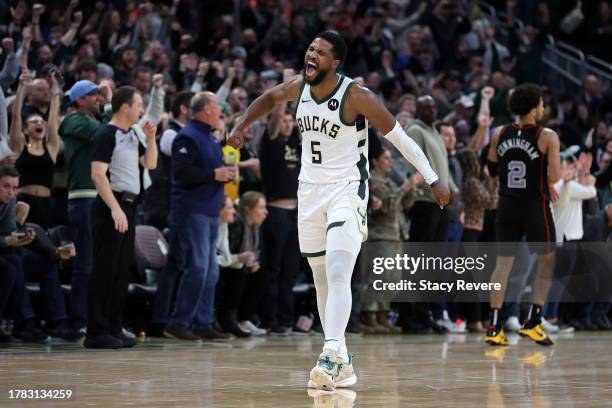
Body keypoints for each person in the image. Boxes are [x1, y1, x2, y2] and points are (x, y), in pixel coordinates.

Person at [228, 30, 449, 391]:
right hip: (309, 191)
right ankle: (343, 362)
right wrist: (240, 125)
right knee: (320, 277)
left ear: (336, 63)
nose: (311, 54)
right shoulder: (298, 87)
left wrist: (433, 178)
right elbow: (267, 99)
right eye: (310, 48)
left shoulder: (357, 96)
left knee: (337, 268)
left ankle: (330, 352)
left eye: (321, 52)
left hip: (347, 189)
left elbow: (401, 138)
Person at [485, 83, 561, 347]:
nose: (542, 108)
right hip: (534, 206)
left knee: (502, 265)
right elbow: (555, 176)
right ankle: (533, 322)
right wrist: (549, 179)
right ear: (532, 108)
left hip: (506, 205)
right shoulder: (547, 135)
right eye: (540, 103)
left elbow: (491, 170)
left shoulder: (499, 133)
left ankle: (494, 327)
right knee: (548, 261)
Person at [158, 92, 236, 341]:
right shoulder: (187, 136)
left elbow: (211, 171)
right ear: (205, 110)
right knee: (198, 267)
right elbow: (181, 173)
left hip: (210, 211)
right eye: (217, 106)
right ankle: (178, 322)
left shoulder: (211, 139)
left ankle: (202, 322)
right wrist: (215, 174)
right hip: (191, 211)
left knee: (211, 271)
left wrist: (223, 174)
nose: (221, 110)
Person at [84, 86, 157, 349]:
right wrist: (114, 208)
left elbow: (150, 165)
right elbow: (97, 174)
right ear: (125, 106)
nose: (141, 109)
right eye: (139, 104)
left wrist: (151, 139)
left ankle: (114, 327)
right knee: (104, 270)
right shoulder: (106, 134)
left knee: (120, 271)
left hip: (129, 205)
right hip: (109, 207)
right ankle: (96, 332)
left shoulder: (133, 134)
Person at [59, 79, 112, 334]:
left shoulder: (91, 121)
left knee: (98, 264)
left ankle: (93, 319)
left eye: (99, 95)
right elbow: (107, 134)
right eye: (94, 95)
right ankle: (78, 322)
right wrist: (112, 105)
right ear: (79, 100)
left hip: (98, 196)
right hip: (83, 198)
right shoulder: (73, 121)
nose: (98, 98)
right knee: (86, 265)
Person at [9, 69, 62, 229]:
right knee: (20, 245)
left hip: (45, 204)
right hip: (22, 201)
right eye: (34, 122)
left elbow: (52, 118)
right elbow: (16, 116)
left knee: (43, 247)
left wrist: (55, 92)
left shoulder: (51, 148)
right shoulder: (19, 147)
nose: (39, 123)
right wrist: (21, 88)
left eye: (41, 122)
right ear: (25, 130)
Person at [216, 192, 268, 338]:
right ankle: (228, 319)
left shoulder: (255, 227)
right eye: (261, 208)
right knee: (240, 273)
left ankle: (243, 318)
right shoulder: (236, 223)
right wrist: (242, 260)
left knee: (262, 274)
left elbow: (254, 252)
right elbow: (225, 255)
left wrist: (253, 262)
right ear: (248, 209)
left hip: (236, 264)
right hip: (225, 266)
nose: (265, 212)